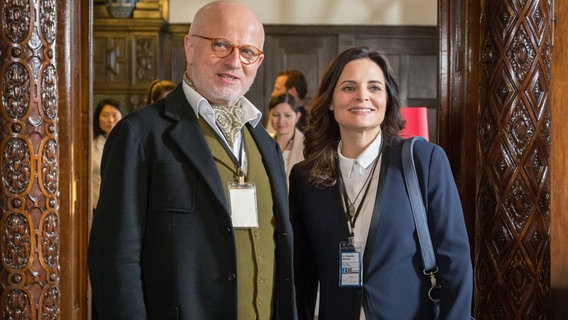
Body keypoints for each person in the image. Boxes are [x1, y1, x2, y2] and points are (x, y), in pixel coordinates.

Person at [88, 1, 296, 320]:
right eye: (221, 45)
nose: (234, 62)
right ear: (189, 46)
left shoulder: (266, 145)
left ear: (259, 61)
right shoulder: (139, 135)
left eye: (248, 52)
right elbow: (115, 261)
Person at [289, 47, 473, 319]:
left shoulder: (424, 161)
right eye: (348, 87)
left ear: (387, 99)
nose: (362, 96)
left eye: (374, 88)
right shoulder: (306, 177)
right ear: (330, 101)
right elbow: (301, 275)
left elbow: (455, 262)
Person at [91, 98, 124, 212]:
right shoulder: (90, 143)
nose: (110, 120)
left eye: (114, 115)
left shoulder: (129, 142)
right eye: (105, 115)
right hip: (95, 205)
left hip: (121, 204)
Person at [268, 92, 304, 187]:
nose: (281, 120)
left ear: (297, 117)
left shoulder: (308, 145)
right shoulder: (265, 144)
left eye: (287, 115)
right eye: (275, 115)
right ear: (269, 114)